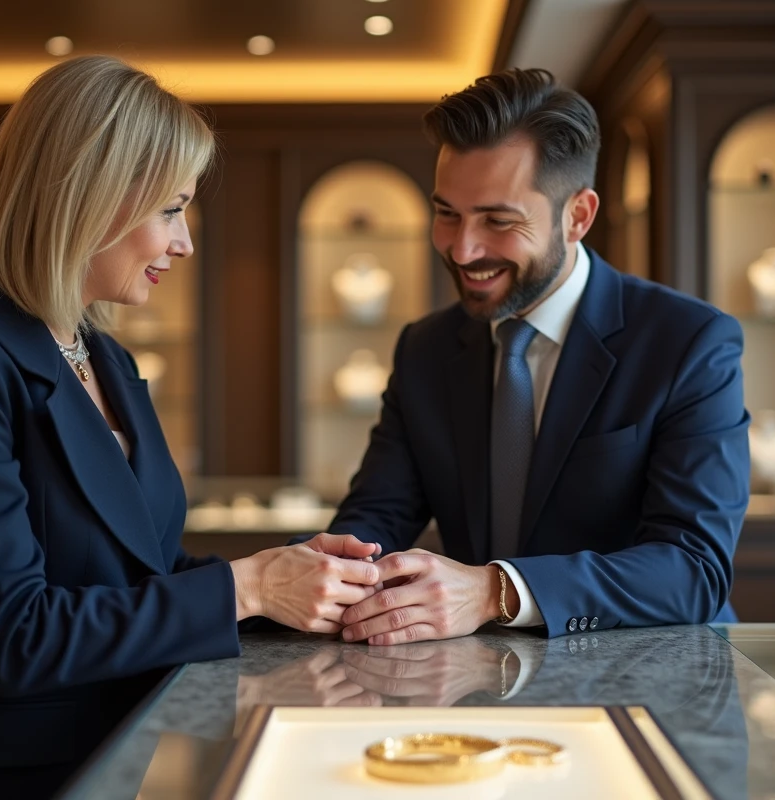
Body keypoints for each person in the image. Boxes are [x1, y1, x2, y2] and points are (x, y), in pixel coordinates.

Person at [0, 56, 379, 799]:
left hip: (112, 759)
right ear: (88, 197)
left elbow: (140, 571)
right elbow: (16, 635)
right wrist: (246, 588)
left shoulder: (104, 356)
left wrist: (288, 576)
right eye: (171, 210)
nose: (183, 243)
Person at [319, 68, 750, 645]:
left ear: (579, 216)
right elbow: (378, 514)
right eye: (447, 213)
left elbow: (695, 570)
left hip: (655, 677)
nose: (462, 248)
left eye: (498, 221)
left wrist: (496, 590)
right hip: (477, 684)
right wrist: (332, 572)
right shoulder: (424, 348)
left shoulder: (689, 342)